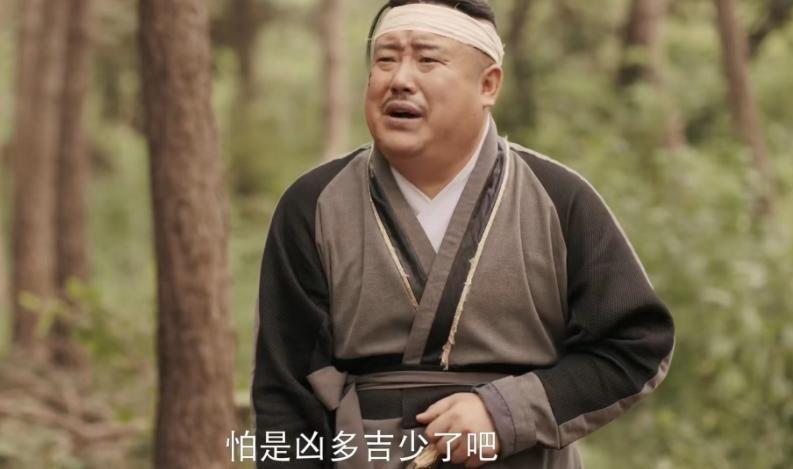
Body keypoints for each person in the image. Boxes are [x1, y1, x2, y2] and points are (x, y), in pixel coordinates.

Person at [251, 1, 675, 468]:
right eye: (385, 59)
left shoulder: (557, 198)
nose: (399, 79)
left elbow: (637, 345)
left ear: (488, 84)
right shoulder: (314, 204)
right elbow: (285, 392)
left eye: (427, 59)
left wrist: (506, 413)